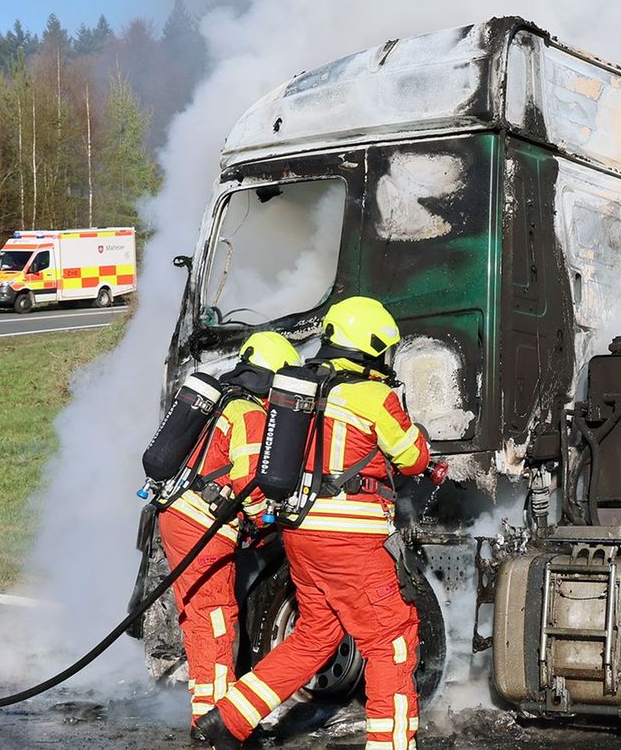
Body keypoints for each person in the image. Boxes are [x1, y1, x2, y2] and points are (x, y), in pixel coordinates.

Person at [200, 297, 432, 750]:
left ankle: (228, 720)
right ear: (370, 348)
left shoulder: (297, 389)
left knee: (315, 635)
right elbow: (413, 458)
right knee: (391, 639)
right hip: (352, 539)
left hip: (300, 534)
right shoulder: (373, 396)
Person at [157, 331, 300, 739]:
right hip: (203, 526)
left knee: (200, 618)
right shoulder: (249, 413)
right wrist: (268, 523)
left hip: (179, 516)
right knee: (216, 619)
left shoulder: (221, 399)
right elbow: (249, 484)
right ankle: (216, 723)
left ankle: (206, 712)